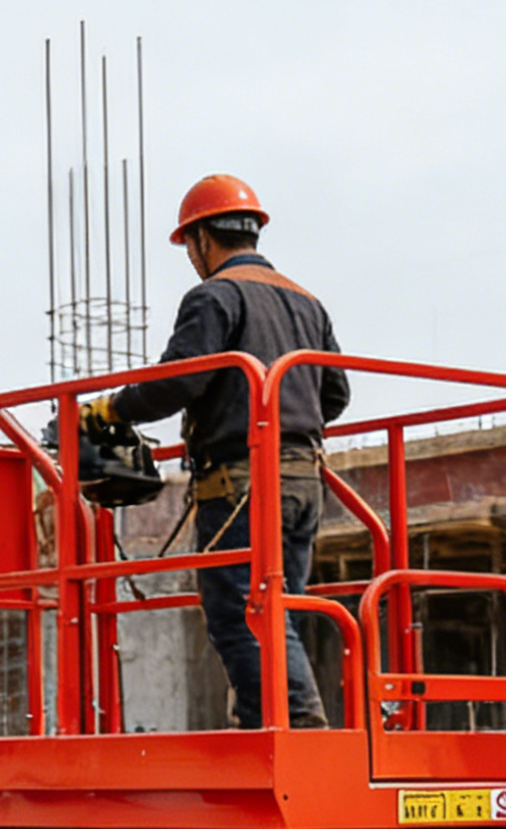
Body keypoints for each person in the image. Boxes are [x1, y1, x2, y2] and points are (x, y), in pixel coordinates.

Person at [80, 174, 349, 729]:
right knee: (280, 608)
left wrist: (110, 409)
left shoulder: (214, 297)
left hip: (244, 485)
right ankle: (263, 721)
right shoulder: (306, 302)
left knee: (241, 613)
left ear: (203, 237)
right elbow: (336, 395)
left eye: (190, 246)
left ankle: (297, 728)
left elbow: (176, 382)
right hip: (303, 481)